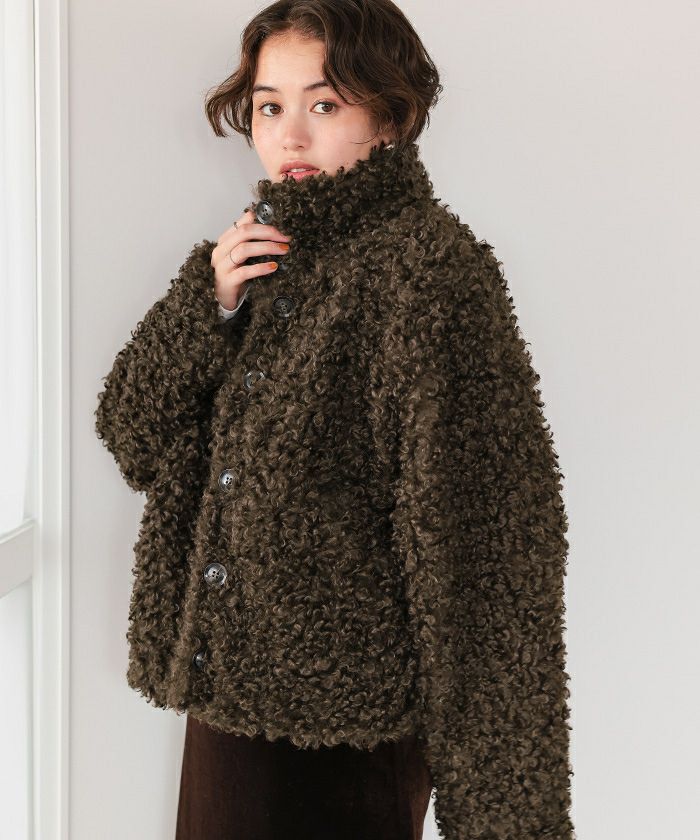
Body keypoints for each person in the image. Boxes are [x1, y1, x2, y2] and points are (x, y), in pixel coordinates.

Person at [94, 2, 576, 839]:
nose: (290, 135)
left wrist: (502, 815)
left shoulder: (427, 272)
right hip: (228, 708)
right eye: (269, 107)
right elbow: (132, 438)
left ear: (390, 115)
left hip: (347, 737)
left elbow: (489, 549)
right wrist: (209, 301)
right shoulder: (256, 262)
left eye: (323, 103)